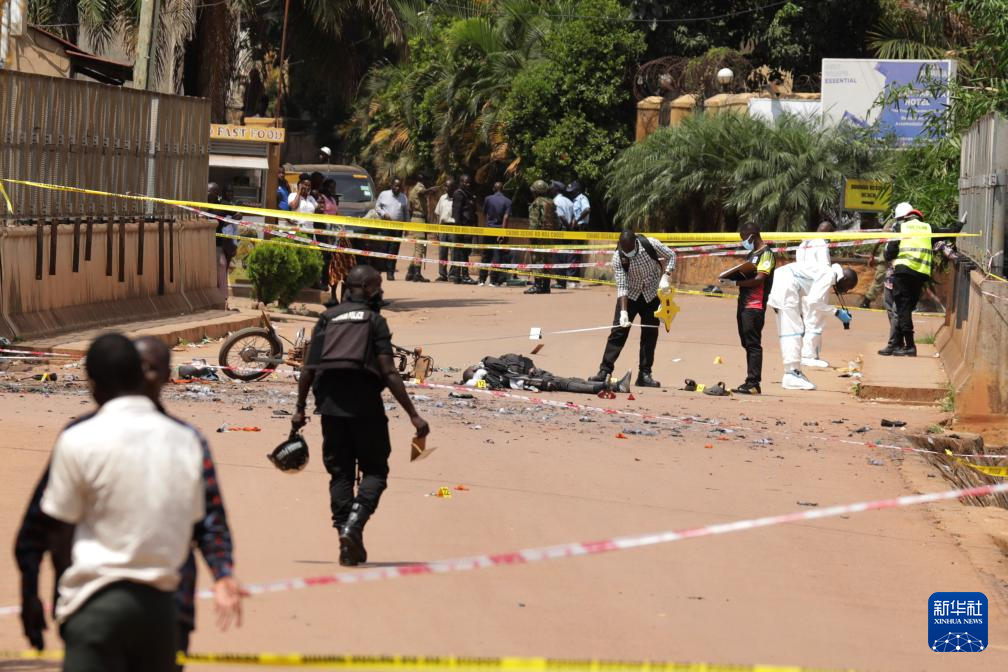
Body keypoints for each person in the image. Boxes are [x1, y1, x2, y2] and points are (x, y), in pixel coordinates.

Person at [14, 338, 243, 665]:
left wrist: (222, 574)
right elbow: (209, 518)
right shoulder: (186, 440)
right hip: (160, 609)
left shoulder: (80, 437)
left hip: (102, 604)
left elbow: (47, 526)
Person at [292, 265, 430, 566]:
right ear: (367, 287)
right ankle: (354, 526)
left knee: (340, 474)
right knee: (375, 472)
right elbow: (389, 372)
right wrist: (414, 415)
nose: (381, 291)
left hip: (330, 407)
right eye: (378, 285)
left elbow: (309, 369)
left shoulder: (327, 318)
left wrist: (300, 409)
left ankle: (346, 538)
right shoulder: (375, 321)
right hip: (366, 408)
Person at [588, 230, 677, 388]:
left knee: (650, 333)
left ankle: (644, 375)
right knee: (618, 332)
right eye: (625, 250)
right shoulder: (618, 257)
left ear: (636, 242)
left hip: (652, 294)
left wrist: (666, 276)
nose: (628, 253)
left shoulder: (650, 244)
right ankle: (604, 371)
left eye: (630, 250)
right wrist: (623, 312)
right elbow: (622, 286)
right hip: (630, 296)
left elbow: (672, 256)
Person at [767, 262, 858, 390]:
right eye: (848, 287)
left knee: (791, 329)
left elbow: (809, 299)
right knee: (793, 331)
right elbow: (813, 302)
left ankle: (793, 372)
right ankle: (791, 374)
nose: (846, 291)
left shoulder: (827, 272)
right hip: (786, 286)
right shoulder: (829, 275)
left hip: (784, 283)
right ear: (845, 279)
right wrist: (836, 312)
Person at [879, 202, 932, 357]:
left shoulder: (906, 230)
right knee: (892, 311)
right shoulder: (898, 229)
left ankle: (895, 344)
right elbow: (887, 250)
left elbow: (889, 252)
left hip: (901, 276)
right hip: (893, 275)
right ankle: (897, 343)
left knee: (898, 311)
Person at [732, 223, 777, 395]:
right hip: (744, 304)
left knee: (753, 344)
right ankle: (750, 381)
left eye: (744, 238)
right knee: (746, 342)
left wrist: (737, 282)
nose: (743, 242)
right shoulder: (752, 254)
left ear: (752, 236)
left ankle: (753, 383)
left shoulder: (766, 254)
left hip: (755, 305)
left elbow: (759, 279)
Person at [462, 354, 630, 393]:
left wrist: (468, 383)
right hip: (535, 380)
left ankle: (615, 386)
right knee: (567, 383)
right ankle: (610, 386)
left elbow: (523, 359)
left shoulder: (495, 367)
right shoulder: (493, 367)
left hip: (534, 378)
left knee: (568, 382)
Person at [794, 220, 836, 368]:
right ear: (829, 232)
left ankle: (806, 354)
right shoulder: (821, 243)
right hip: (817, 285)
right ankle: (810, 356)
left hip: (802, 285)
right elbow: (825, 267)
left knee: (806, 321)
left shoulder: (803, 243)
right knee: (815, 321)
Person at [524, 180, 558, 295]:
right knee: (548, 259)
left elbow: (534, 221)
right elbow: (556, 221)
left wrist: (531, 236)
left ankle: (538, 285)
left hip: (539, 236)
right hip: (550, 236)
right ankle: (546, 286)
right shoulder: (551, 202)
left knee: (537, 259)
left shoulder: (536, 203)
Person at [374, 177, 410, 281]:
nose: (397, 188)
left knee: (394, 250)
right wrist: (384, 214)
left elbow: (406, 213)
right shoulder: (384, 194)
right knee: (384, 248)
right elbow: (377, 207)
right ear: (391, 185)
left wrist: (407, 227)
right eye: (395, 186)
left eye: (399, 186)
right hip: (386, 226)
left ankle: (390, 272)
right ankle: (380, 270)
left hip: (398, 228)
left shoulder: (404, 197)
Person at [480, 182, 512, 286]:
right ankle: (493, 281)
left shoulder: (488, 199)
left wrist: (487, 225)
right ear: (503, 189)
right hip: (499, 230)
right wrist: (502, 233)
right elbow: (506, 217)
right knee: (497, 255)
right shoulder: (508, 201)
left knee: (486, 255)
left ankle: (481, 280)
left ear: (494, 188)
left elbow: (484, 214)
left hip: (488, 229)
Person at [208, 183, 238, 296]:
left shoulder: (223, 205)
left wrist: (227, 222)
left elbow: (239, 214)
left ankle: (222, 296)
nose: (207, 194)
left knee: (222, 267)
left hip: (220, 243)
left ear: (216, 194)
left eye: (209, 192)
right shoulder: (204, 205)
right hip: (204, 243)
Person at [450, 174, 477, 284]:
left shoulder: (468, 194)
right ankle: (460, 275)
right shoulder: (459, 194)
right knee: (460, 252)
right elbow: (456, 213)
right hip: (462, 228)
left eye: (469, 182)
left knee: (465, 252)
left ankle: (461, 275)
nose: (468, 184)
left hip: (467, 227)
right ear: (460, 182)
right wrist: (459, 230)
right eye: (466, 182)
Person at [406, 173, 432, 283]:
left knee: (418, 247)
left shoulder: (412, 189)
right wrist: (430, 190)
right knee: (420, 248)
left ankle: (410, 272)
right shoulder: (420, 187)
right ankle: (417, 274)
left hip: (415, 219)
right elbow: (422, 192)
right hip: (419, 219)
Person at [551, 181, 575, 289]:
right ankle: (563, 281)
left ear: (556, 190)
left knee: (558, 257)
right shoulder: (569, 201)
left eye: (552, 187)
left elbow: (561, 217)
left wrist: (568, 226)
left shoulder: (556, 201)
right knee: (565, 256)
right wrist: (571, 227)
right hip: (568, 231)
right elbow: (574, 216)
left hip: (560, 231)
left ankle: (560, 282)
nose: (550, 189)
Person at [567, 181, 591, 285]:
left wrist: (577, 220)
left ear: (577, 191)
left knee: (575, 253)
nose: (570, 193)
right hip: (576, 228)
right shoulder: (574, 200)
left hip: (581, 228)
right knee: (574, 253)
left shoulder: (582, 198)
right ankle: (573, 278)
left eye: (572, 191)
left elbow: (587, 209)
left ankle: (573, 279)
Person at [434, 178, 456, 282]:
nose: (446, 188)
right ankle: (442, 274)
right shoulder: (442, 198)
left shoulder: (457, 198)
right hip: (442, 227)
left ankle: (452, 274)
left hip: (453, 227)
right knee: (442, 252)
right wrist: (437, 229)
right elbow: (437, 214)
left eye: (448, 186)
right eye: (445, 186)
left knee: (454, 252)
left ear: (453, 187)